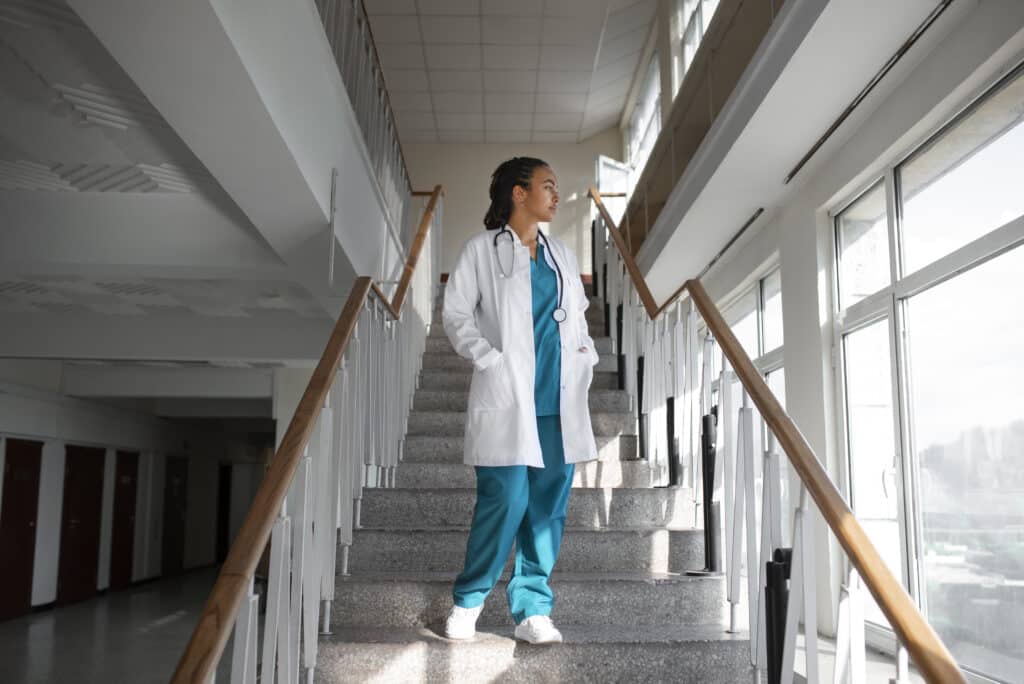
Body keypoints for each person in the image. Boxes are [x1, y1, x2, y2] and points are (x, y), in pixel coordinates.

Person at [441, 156, 601, 644]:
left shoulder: (562, 255)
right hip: (508, 397)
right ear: (518, 192)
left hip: (558, 399)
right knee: (505, 500)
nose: (555, 195)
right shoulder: (481, 250)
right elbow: (455, 314)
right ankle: (469, 601)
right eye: (548, 186)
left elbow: (576, 315)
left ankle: (532, 609)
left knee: (547, 509)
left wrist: (585, 353)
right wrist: (487, 358)